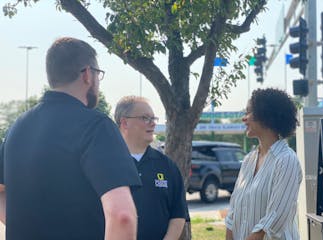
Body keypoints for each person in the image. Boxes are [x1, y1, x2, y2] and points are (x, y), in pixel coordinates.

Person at [0, 37, 142, 240]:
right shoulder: (96, 126)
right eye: (98, 74)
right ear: (87, 75)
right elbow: (122, 216)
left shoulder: (16, 128)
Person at [225, 88, 303, 240]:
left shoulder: (286, 160)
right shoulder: (248, 160)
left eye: (248, 112)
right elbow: (232, 212)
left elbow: (274, 220)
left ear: (266, 116)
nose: (244, 118)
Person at [114, 96, 189, 240]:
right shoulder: (105, 164)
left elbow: (178, 215)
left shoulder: (167, 166)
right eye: (145, 118)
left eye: (153, 118)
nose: (152, 124)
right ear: (124, 122)